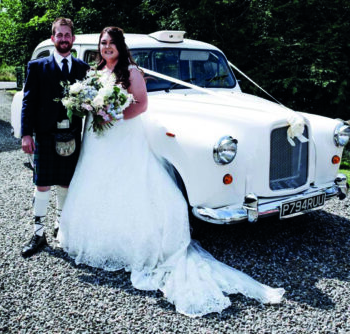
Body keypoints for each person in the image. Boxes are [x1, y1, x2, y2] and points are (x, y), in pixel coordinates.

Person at [58, 27, 285, 317]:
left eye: (111, 43)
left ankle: (138, 243)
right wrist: (90, 105)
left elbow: (141, 105)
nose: (106, 47)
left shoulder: (132, 71)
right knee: (97, 183)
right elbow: (91, 102)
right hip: (99, 139)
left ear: (119, 46)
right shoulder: (95, 71)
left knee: (128, 184)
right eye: (103, 44)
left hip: (123, 136)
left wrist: (112, 113)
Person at [20, 18, 90, 258]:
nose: (63, 39)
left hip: (72, 134)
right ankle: (38, 233)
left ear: (73, 38)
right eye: (58, 35)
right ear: (53, 38)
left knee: (66, 183)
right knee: (42, 183)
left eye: (67, 35)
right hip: (46, 134)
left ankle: (61, 227)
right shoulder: (37, 66)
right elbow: (28, 102)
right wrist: (26, 133)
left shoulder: (83, 68)